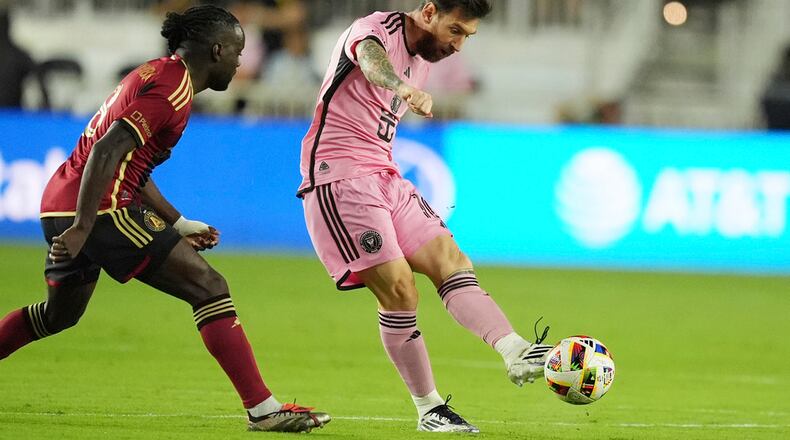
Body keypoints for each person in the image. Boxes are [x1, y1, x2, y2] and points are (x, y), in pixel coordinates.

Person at [0, 5, 330, 433]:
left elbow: (132, 165)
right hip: (101, 209)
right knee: (209, 288)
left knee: (57, 316)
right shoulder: (173, 88)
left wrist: (176, 222)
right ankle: (264, 410)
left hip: (61, 202)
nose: (240, 61)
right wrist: (83, 226)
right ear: (216, 50)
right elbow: (107, 151)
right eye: (237, 51)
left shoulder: (157, 73)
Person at [296, 0, 552, 433]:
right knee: (400, 291)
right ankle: (429, 408)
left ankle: (515, 349)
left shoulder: (423, 58)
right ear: (429, 12)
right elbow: (371, 61)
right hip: (339, 178)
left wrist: (409, 84)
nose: (458, 45)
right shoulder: (375, 29)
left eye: (467, 37)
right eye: (456, 31)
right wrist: (403, 87)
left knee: (452, 262)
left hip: (386, 176)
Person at [0, 7, 36, 108]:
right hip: (15, 116)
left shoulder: (18, 55)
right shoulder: (18, 55)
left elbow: (37, 77)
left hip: (14, 115)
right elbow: (39, 77)